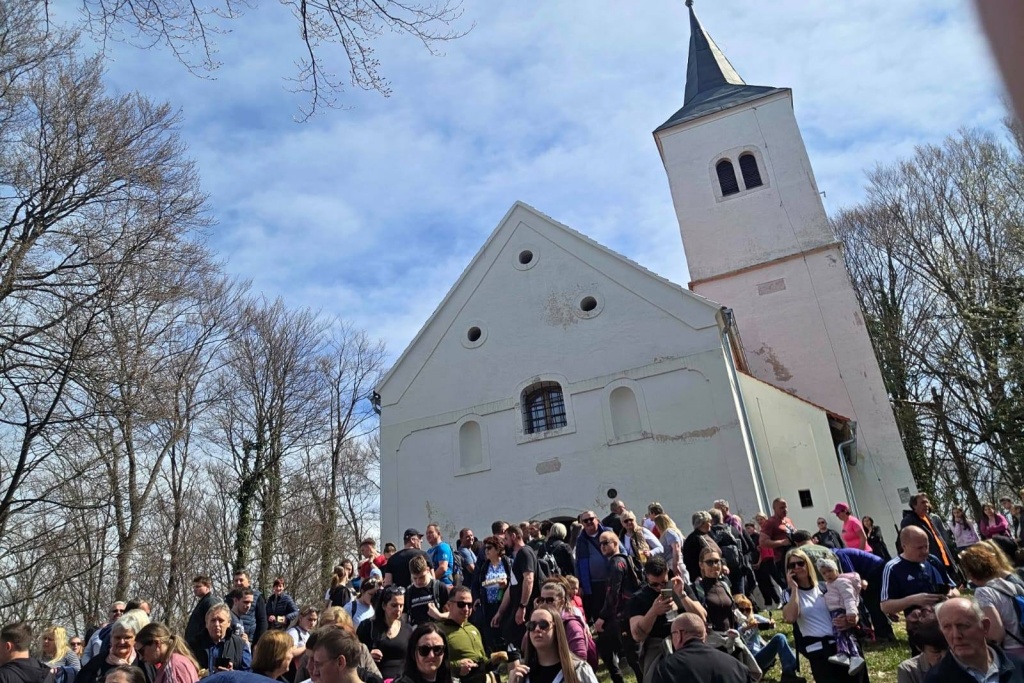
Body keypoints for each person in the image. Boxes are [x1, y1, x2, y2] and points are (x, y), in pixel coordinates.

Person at [781, 548, 868, 682]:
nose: (797, 567)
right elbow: (790, 617)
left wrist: (852, 619)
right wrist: (794, 589)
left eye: (800, 563)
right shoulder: (789, 593)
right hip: (820, 652)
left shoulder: (826, 586)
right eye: (792, 565)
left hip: (846, 644)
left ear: (808, 564)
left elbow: (850, 601)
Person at [626, 555, 705, 683]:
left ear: (667, 572)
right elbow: (637, 635)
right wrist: (653, 612)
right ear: (646, 577)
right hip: (659, 648)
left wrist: (682, 596)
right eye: (654, 584)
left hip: (688, 642)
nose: (660, 588)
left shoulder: (678, 586)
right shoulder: (638, 599)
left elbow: (702, 617)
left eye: (663, 582)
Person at [689, 548, 759, 679]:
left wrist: (746, 619)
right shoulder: (696, 588)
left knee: (740, 677)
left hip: (732, 639)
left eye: (717, 561)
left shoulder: (725, 584)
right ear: (701, 565)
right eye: (709, 562)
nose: (715, 565)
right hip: (713, 643)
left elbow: (732, 609)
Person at [925, 597, 1024, 682]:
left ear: (985, 626)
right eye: (947, 627)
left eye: (963, 625)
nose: (956, 635)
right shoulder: (937, 678)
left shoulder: (1017, 665)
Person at [958, 541, 1024, 659]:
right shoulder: (1010, 585)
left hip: (1013, 654)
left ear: (971, 574)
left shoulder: (983, 592)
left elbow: (996, 635)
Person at [881, 526, 958, 620]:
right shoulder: (893, 568)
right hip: (919, 626)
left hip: (945, 619)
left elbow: (954, 590)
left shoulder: (932, 560)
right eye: (919, 548)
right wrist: (913, 600)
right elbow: (885, 606)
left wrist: (949, 595)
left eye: (927, 546)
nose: (925, 551)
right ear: (904, 546)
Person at [593, 532, 640, 683]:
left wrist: (602, 616)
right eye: (600, 543)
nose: (602, 546)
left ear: (615, 543)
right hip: (625, 612)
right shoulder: (624, 560)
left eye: (606, 542)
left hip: (621, 614)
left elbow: (613, 592)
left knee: (632, 656)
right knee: (612, 647)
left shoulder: (616, 563)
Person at [649, 614, 749, 683]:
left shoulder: (667, 668)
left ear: (678, 635)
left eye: (673, 635)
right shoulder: (738, 667)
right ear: (705, 636)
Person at [508, 607, 598, 683]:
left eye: (543, 624)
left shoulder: (578, 670)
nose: (537, 629)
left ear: (556, 629)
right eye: (531, 625)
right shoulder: (522, 675)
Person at [438, 587, 505, 683]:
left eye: (469, 605)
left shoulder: (473, 629)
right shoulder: (439, 631)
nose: (466, 609)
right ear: (449, 605)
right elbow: (432, 664)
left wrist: (493, 659)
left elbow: (483, 661)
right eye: (461, 604)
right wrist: (456, 667)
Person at [732, 595, 804, 683]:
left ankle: (789, 672)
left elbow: (771, 624)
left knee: (780, 637)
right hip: (749, 661)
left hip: (760, 655)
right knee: (779, 638)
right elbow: (734, 637)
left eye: (747, 610)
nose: (745, 613)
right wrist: (745, 628)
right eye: (741, 610)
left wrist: (771, 623)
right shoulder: (733, 623)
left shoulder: (754, 618)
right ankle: (789, 672)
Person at [816, 559, 865, 674]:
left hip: (841, 610)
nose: (827, 574)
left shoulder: (841, 582)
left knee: (840, 632)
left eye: (830, 571)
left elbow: (849, 598)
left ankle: (844, 653)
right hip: (834, 610)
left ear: (836, 570)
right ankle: (853, 656)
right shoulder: (829, 584)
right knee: (844, 634)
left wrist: (851, 612)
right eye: (824, 573)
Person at [494, 524, 538, 652]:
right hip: (516, 604)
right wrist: (500, 612)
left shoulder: (525, 552)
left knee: (519, 636)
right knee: (508, 631)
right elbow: (511, 586)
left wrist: (522, 606)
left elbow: (529, 579)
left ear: (514, 536)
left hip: (525, 607)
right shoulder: (518, 556)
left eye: (506, 539)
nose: (505, 543)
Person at [355, 586, 411, 681]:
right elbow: (355, 654)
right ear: (384, 605)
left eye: (401, 605)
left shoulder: (408, 629)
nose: (398, 610)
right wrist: (367, 655)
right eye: (394, 605)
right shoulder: (367, 627)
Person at [78, 613, 153, 683]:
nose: (122, 642)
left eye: (127, 637)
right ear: (111, 639)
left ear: (135, 639)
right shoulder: (96, 664)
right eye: (117, 637)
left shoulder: (144, 662)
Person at [536, 580, 595, 667]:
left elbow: (580, 659)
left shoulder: (572, 625)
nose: (544, 604)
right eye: (541, 600)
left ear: (562, 601)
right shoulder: (541, 621)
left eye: (550, 600)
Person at [900, 493, 958, 580]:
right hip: (927, 562)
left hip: (943, 558)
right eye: (923, 503)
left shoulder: (932, 518)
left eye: (927, 502)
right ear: (914, 505)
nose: (926, 505)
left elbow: (942, 537)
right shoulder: (909, 521)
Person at [473, 535, 511, 653]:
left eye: (489, 548)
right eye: (485, 548)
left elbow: (514, 582)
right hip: (488, 604)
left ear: (498, 549)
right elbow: (477, 584)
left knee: (504, 633)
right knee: (490, 633)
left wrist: (507, 582)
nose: (486, 551)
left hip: (504, 604)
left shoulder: (507, 563)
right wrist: (477, 598)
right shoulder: (484, 566)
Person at [573, 512, 611, 622]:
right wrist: (579, 584)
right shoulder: (581, 540)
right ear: (582, 524)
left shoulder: (608, 532)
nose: (589, 522)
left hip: (611, 580)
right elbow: (578, 563)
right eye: (585, 521)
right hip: (593, 585)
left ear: (597, 519)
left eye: (591, 519)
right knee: (598, 613)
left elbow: (621, 551)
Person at [135, 623, 200, 683]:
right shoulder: (177, 661)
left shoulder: (172, 667)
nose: (141, 658)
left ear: (157, 643)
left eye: (142, 651)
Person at [196, 604, 251, 673]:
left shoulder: (240, 645)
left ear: (229, 623)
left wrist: (232, 674)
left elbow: (248, 674)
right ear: (206, 624)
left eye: (221, 620)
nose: (216, 624)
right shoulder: (194, 645)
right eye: (213, 620)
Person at [761, 498, 796, 587]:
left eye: (786, 507)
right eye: (781, 508)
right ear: (774, 508)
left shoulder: (788, 520)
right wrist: (781, 542)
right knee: (790, 586)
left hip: (795, 556)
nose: (785, 510)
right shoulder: (770, 522)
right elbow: (763, 542)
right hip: (782, 560)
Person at [406, 556, 450, 626]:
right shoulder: (409, 592)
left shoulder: (439, 587)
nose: (418, 581)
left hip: (437, 631)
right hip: (418, 633)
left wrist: (439, 616)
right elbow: (404, 618)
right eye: (415, 578)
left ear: (428, 570)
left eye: (421, 577)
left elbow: (452, 614)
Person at [231, 571, 269, 646]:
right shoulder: (229, 597)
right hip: (233, 638)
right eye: (236, 580)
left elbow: (262, 621)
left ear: (248, 582)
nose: (238, 583)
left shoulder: (257, 597)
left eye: (241, 580)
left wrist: (258, 644)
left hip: (251, 640)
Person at [751, 513, 781, 608]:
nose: (760, 521)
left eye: (761, 519)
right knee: (765, 582)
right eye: (758, 520)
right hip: (765, 559)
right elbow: (761, 550)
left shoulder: (769, 529)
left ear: (765, 519)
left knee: (778, 579)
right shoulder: (760, 533)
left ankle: (782, 599)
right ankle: (773, 601)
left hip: (773, 557)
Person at [186, 578, 218, 659]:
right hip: (196, 645)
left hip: (203, 647)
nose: (195, 589)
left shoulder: (210, 602)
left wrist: (200, 638)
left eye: (198, 586)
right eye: (194, 587)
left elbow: (213, 621)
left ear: (207, 587)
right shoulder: (203, 602)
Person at [654, 514, 688, 583]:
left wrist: (675, 566)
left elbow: (676, 548)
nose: (656, 528)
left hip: (672, 563)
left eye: (656, 525)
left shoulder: (669, 532)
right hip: (672, 564)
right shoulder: (675, 532)